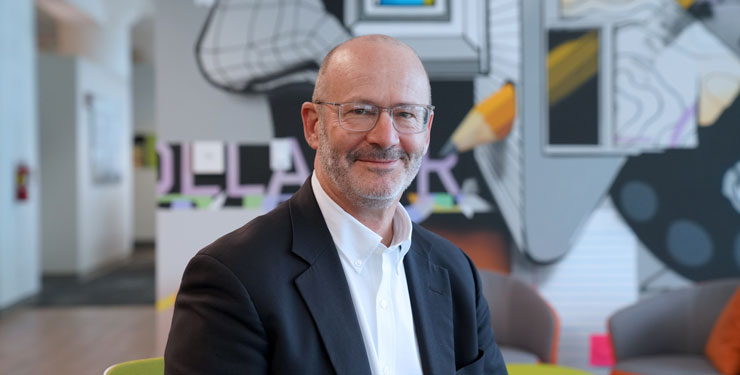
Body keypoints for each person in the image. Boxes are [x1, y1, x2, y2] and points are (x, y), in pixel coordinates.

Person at [164, 34, 508, 375]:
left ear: (426, 129)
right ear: (314, 126)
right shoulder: (233, 277)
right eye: (360, 111)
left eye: (405, 114)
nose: (386, 137)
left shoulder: (456, 271)